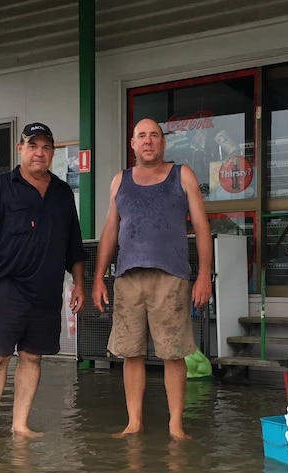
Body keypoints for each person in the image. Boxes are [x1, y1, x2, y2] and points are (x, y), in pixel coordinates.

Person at [0, 122, 87, 444]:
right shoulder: (0, 187)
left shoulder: (62, 193)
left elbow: (74, 245)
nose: (40, 153)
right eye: (33, 146)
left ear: (52, 153)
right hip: (7, 288)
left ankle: (20, 424)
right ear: (21, 149)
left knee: (33, 357)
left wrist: (79, 284)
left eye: (46, 147)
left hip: (46, 292)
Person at [92, 118, 213, 440]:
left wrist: (204, 276)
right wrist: (98, 278)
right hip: (128, 277)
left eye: (154, 136)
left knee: (174, 353)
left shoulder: (181, 174)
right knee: (131, 353)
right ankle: (134, 422)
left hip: (172, 277)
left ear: (163, 143)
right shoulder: (120, 180)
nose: (148, 141)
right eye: (141, 136)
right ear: (132, 144)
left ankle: (176, 425)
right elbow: (109, 230)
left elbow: (201, 226)